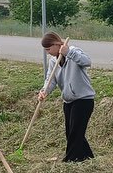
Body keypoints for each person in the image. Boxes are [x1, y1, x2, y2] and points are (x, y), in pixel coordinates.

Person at [37, 32, 95, 162]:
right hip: (68, 101)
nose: (47, 52)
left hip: (83, 100)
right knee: (72, 133)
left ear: (56, 44)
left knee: (75, 133)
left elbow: (87, 62)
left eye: (48, 49)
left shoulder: (73, 51)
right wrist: (44, 91)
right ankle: (88, 158)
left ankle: (69, 161)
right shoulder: (53, 61)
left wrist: (68, 52)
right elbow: (50, 80)